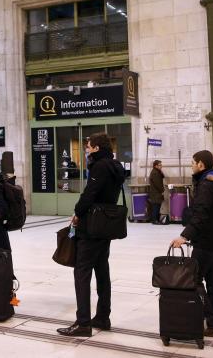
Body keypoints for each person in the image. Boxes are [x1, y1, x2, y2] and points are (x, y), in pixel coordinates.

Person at [58, 132, 124, 337]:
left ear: (96, 148)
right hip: (106, 226)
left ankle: (83, 322)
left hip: (92, 226)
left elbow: (90, 193)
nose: (86, 149)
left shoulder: (100, 166)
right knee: (102, 271)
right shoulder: (116, 166)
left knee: (82, 272)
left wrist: (77, 213)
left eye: (88, 146)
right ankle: (103, 317)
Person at [170, 150, 213, 337]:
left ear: (201, 165)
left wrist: (184, 236)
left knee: (194, 280)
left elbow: (200, 214)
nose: (191, 165)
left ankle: (209, 318)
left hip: (204, 241)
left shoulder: (205, 186)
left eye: (193, 162)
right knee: (212, 280)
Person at [148, 160, 166, 224]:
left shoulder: (157, 171)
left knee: (157, 206)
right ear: (156, 166)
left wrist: (161, 171)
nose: (161, 166)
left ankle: (156, 219)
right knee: (156, 206)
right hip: (156, 193)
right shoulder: (155, 173)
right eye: (160, 165)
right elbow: (158, 184)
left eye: (161, 165)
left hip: (156, 193)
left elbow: (163, 177)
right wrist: (162, 191)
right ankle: (155, 220)